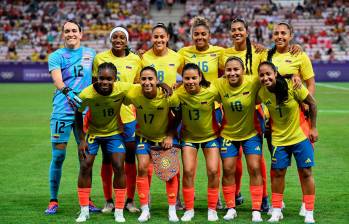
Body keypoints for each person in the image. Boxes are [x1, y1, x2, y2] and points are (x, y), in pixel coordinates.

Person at [45, 20, 98, 215]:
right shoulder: (56, 56)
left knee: (85, 157)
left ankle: (87, 199)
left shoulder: (91, 54)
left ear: (81, 34)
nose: (71, 34)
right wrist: (68, 91)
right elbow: (57, 79)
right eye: (67, 31)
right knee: (58, 156)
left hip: (85, 112)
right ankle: (53, 200)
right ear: (63, 34)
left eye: (74, 30)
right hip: (62, 110)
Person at [257, 61, 317, 223]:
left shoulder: (293, 86)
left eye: (268, 74)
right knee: (278, 173)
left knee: (306, 172)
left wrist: (313, 128)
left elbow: (312, 104)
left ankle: (309, 211)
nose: (265, 77)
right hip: (278, 139)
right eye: (261, 75)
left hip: (299, 136)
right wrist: (265, 124)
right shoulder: (262, 93)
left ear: (275, 73)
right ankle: (276, 210)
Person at [266, 22, 316, 216]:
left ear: (290, 35)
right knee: (277, 165)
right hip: (275, 121)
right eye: (276, 33)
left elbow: (310, 83)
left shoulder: (299, 55)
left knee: (304, 165)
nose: (279, 36)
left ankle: (306, 203)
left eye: (283, 33)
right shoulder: (267, 56)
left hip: (298, 118)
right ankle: (278, 203)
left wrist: (305, 102)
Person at [75, 62, 134, 223]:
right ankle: (84, 210)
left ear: (115, 79)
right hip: (93, 134)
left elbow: (142, 87)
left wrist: (161, 84)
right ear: (96, 78)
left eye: (109, 79)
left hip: (114, 134)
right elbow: (77, 114)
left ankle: (119, 211)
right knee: (85, 165)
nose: (105, 82)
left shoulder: (122, 88)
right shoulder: (87, 94)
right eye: (101, 78)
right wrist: (81, 139)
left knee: (118, 165)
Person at [92, 27, 142, 213]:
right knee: (108, 159)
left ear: (127, 40)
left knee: (129, 158)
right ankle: (108, 200)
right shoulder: (100, 59)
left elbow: (138, 87)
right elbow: (95, 87)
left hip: (129, 116)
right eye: (115, 37)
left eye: (122, 37)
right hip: (107, 117)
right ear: (110, 39)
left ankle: (129, 200)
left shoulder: (136, 59)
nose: (118, 40)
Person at [123, 66, 180, 222]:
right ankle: (145, 209)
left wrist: (170, 135)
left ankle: (172, 209)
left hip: (163, 138)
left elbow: (179, 114)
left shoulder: (167, 95)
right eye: (144, 79)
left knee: (169, 173)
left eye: (150, 79)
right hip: (143, 137)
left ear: (156, 80)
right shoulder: (133, 91)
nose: (147, 82)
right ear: (139, 80)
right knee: (142, 168)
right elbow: (116, 89)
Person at [214, 57, 264, 222]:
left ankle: (256, 208)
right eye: (229, 70)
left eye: (236, 69)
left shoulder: (253, 82)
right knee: (228, 169)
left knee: (254, 167)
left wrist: (293, 76)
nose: (232, 73)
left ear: (243, 71)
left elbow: (271, 76)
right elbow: (201, 88)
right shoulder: (219, 84)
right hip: (228, 134)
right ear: (225, 72)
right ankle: (231, 207)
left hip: (251, 133)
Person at [141, 22, 184, 210]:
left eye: (162, 36)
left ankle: (177, 198)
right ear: (152, 38)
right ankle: (146, 197)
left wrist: (178, 86)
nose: (158, 39)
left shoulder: (178, 57)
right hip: (150, 111)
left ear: (167, 38)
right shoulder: (143, 58)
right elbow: (138, 81)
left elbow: (190, 76)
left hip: (172, 111)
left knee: (172, 157)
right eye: (155, 36)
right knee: (146, 159)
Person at [173, 63, 220, 222]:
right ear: (182, 79)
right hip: (189, 138)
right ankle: (189, 209)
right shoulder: (178, 93)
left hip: (210, 137)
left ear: (200, 78)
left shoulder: (212, 91)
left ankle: (212, 208)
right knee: (188, 171)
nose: (191, 81)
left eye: (194, 78)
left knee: (213, 171)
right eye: (187, 78)